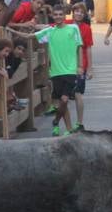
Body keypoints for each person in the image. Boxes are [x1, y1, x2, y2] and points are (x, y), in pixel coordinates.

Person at [35, 7, 84, 136]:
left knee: (64, 99)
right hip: (56, 72)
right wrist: (10, 29)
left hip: (70, 70)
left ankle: (56, 120)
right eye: (55, 14)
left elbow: (79, 46)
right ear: (52, 16)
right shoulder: (50, 31)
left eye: (60, 14)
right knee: (62, 103)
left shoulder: (73, 28)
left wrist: (80, 66)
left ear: (64, 16)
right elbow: (30, 36)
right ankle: (67, 129)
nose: (58, 16)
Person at [70, 2, 94, 132]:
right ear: (73, 12)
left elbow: (88, 48)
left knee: (78, 93)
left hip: (81, 65)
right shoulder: (66, 24)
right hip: (66, 65)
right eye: (76, 11)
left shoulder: (86, 28)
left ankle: (79, 122)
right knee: (64, 95)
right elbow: (50, 27)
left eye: (81, 12)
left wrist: (90, 68)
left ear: (84, 15)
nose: (78, 14)